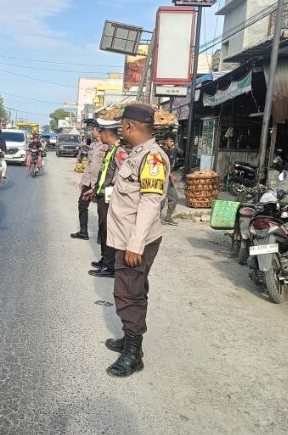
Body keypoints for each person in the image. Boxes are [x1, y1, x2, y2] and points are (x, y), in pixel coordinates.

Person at [104, 103, 170, 378]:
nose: (120, 129)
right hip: (126, 237)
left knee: (128, 293)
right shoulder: (138, 154)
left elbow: (150, 202)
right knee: (132, 290)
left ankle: (134, 354)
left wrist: (135, 244)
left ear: (130, 126)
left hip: (135, 240)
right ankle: (128, 338)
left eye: (122, 125)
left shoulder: (152, 158)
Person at [85, 124, 128, 278]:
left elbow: (124, 174)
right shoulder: (110, 149)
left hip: (110, 194)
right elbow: (104, 174)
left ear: (107, 135)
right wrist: (95, 188)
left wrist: (113, 188)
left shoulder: (119, 151)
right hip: (103, 193)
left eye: (101, 134)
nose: (99, 137)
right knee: (103, 227)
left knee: (109, 229)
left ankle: (110, 266)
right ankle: (105, 260)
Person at [70, 127, 108, 240]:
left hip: (102, 183)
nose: (93, 132)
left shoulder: (108, 146)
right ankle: (83, 232)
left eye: (94, 129)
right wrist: (83, 179)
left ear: (100, 131)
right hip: (89, 181)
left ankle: (102, 237)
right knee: (82, 205)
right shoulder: (93, 145)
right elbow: (88, 164)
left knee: (103, 211)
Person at [160, 133, 182, 226]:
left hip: (168, 179)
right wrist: (170, 175)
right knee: (161, 200)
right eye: (171, 141)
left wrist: (175, 148)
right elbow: (162, 166)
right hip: (161, 178)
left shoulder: (172, 150)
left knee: (174, 198)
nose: (172, 143)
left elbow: (181, 153)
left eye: (173, 141)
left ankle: (168, 217)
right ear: (165, 141)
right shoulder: (161, 151)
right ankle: (154, 219)